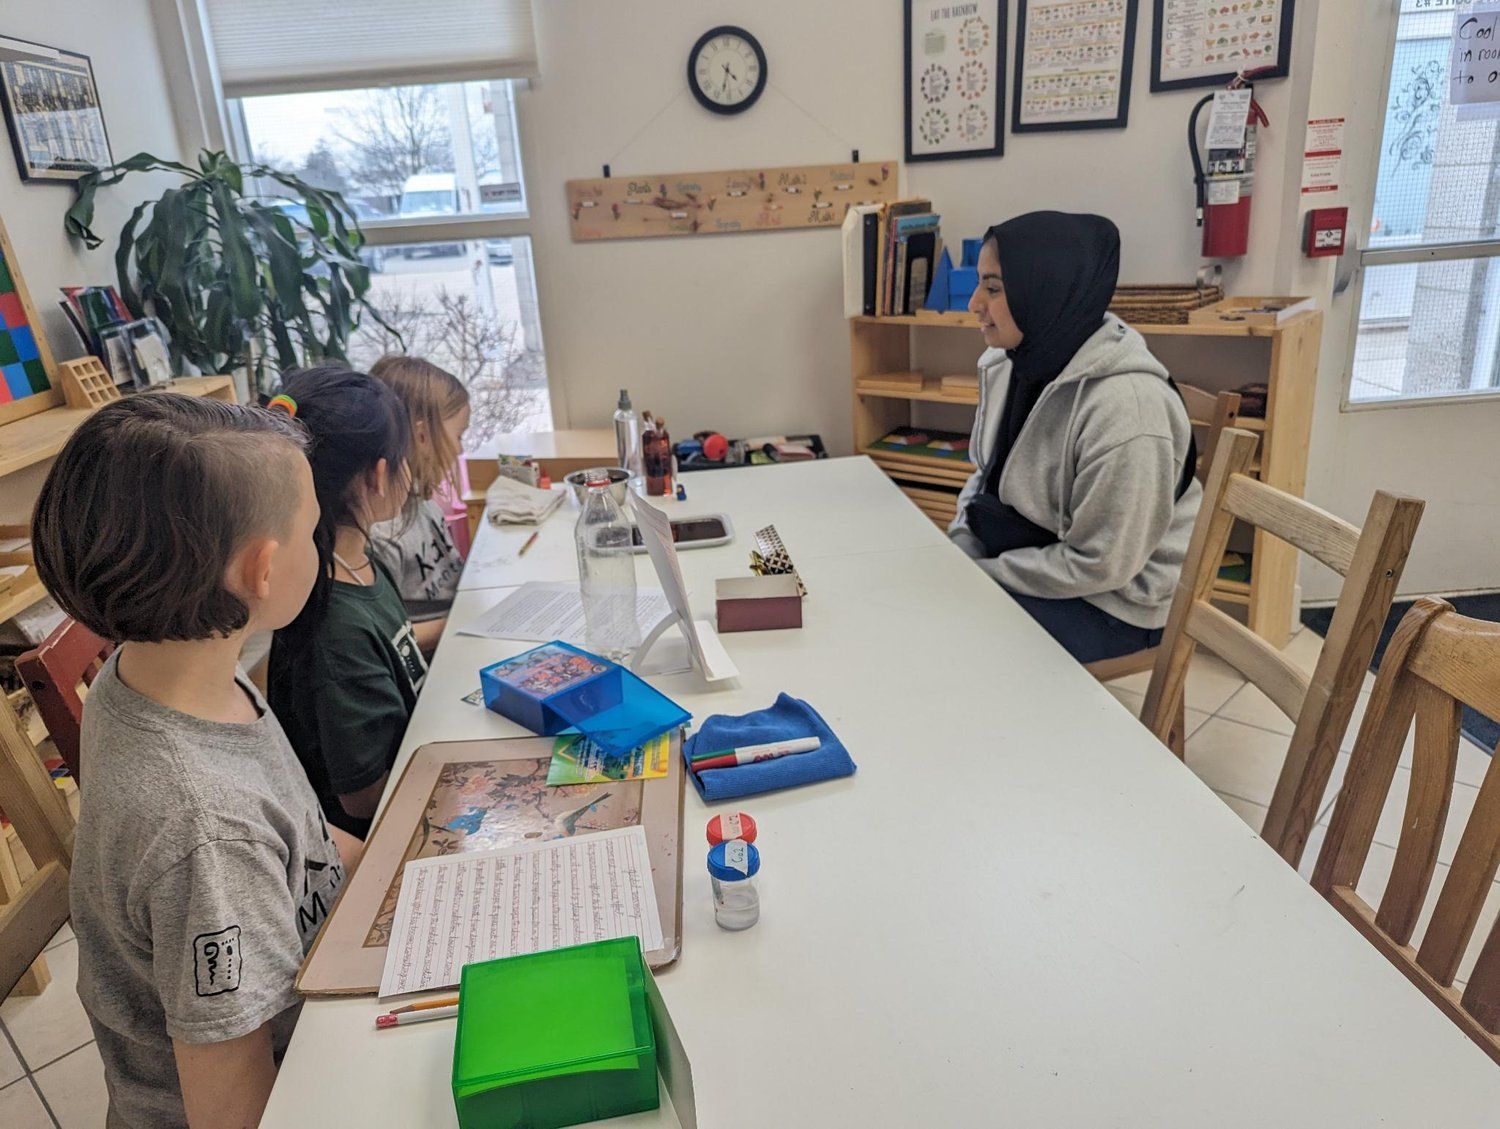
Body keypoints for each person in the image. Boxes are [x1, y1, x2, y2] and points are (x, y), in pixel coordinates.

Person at [30, 394, 361, 1129]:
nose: (321, 540)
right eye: (313, 527)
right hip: (285, 1088)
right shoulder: (204, 825)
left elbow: (298, 840)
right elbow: (235, 1111)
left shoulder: (164, 669)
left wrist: (402, 864)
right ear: (263, 572)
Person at [948, 211, 1201, 663]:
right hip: (1038, 559)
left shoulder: (1128, 409)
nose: (973, 304)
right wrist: (961, 550)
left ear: (1043, 291)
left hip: (1116, 604)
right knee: (923, 611)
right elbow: (986, 474)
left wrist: (985, 573)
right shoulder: (1016, 361)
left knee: (960, 648)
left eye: (993, 288)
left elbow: (1101, 564)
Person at [267, 366, 428, 838]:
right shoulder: (334, 628)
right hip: (381, 835)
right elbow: (363, 798)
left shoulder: (352, 558)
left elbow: (390, 648)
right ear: (380, 474)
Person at [367, 354, 471, 653]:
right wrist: (465, 620)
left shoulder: (421, 501)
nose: (460, 448)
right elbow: (389, 639)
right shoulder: (383, 535)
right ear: (423, 434)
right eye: (459, 435)